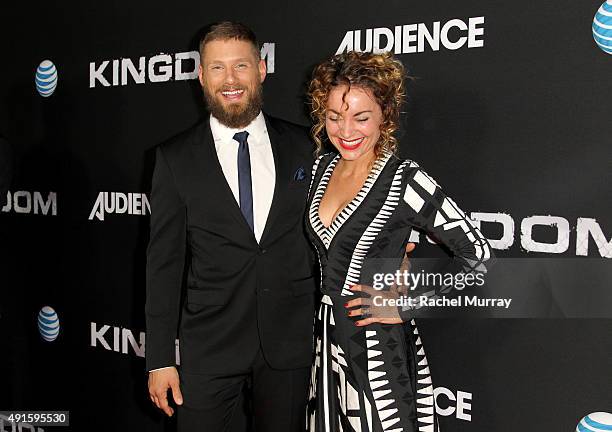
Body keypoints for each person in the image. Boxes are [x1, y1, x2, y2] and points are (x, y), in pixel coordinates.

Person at [304, 51, 492, 431]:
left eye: (361, 117)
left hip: (378, 351)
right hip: (323, 346)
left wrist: (408, 304)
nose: (346, 131)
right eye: (334, 117)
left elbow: (478, 255)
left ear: (385, 115)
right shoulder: (319, 169)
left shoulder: (405, 180)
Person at [145, 22, 317, 432]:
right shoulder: (174, 158)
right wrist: (160, 359)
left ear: (261, 69)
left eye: (240, 65)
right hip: (209, 343)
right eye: (217, 68)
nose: (230, 80)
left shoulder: (306, 146)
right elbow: (163, 264)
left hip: (288, 341)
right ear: (202, 77)